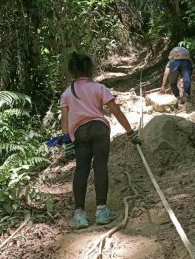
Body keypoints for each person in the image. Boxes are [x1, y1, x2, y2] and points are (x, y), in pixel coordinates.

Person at [60, 52, 141, 230]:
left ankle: (80, 214)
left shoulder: (67, 93)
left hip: (80, 133)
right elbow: (116, 111)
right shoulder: (99, 88)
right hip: (100, 129)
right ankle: (102, 211)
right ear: (90, 69)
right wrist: (130, 133)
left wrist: (67, 142)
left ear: (72, 71)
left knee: (81, 170)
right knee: (100, 166)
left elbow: (64, 120)